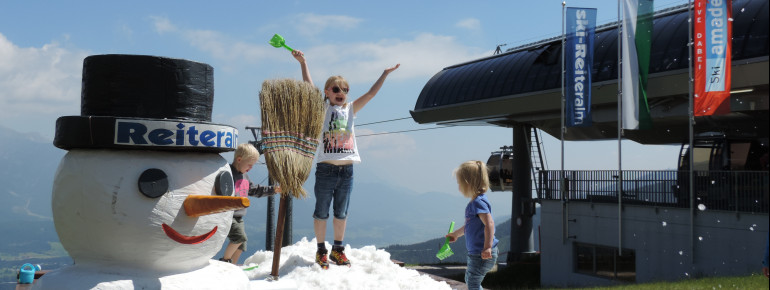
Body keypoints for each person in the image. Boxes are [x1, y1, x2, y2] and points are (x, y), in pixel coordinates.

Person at [292, 49, 399, 269]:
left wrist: (385, 74)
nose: (341, 92)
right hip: (326, 169)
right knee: (321, 212)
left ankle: (337, 250)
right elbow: (309, 87)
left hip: (347, 170)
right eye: (336, 89)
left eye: (345, 89)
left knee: (341, 213)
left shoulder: (351, 109)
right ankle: (321, 250)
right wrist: (303, 63)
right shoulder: (322, 108)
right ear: (327, 92)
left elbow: (370, 94)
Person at [219, 143, 278, 264]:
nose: (250, 168)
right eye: (249, 165)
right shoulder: (228, 173)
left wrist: (273, 190)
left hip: (239, 216)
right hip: (229, 215)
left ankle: (232, 266)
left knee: (242, 244)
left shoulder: (244, 175)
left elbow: (254, 190)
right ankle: (225, 262)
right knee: (239, 238)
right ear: (239, 159)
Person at [445, 160, 499, 290]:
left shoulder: (478, 203)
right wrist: (456, 235)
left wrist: (487, 247)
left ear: (467, 183)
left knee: (473, 283)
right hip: (477, 254)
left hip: (482, 254)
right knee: (470, 280)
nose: (458, 186)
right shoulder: (476, 202)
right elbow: (469, 226)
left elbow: (490, 224)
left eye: (459, 183)